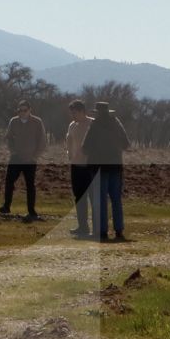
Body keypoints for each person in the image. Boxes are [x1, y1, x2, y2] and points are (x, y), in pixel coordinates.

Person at [81, 100, 131, 240]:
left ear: (97, 113)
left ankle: (102, 231)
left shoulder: (94, 125)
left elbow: (85, 147)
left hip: (99, 167)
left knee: (100, 200)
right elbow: (126, 144)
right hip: (115, 166)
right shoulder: (117, 124)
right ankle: (119, 230)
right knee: (116, 199)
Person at [0, 99, 47, 219]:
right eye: (20, 110)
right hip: (16, 158)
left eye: (25, 110)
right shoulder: (13, 121)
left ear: (30, 110)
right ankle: (6, 206)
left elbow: (42, 141)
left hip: (30, 159)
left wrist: (35, 156)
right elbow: (9, 138)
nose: (22, 112)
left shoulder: (37, 122)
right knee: (9, 181)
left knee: (30, 185)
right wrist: (13, 151)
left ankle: (31, 211)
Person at [64, 99, 97, 239]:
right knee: (79, 197)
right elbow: (69, 140)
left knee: (94, 197)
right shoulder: (72, 125)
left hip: (90, 166)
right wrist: (69, 154)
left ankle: (97, 228)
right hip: (76, 166)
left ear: (82, 111)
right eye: (71, 113)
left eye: (75, 112)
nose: (73, 115)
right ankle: (82, 226)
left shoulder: (93, 123)